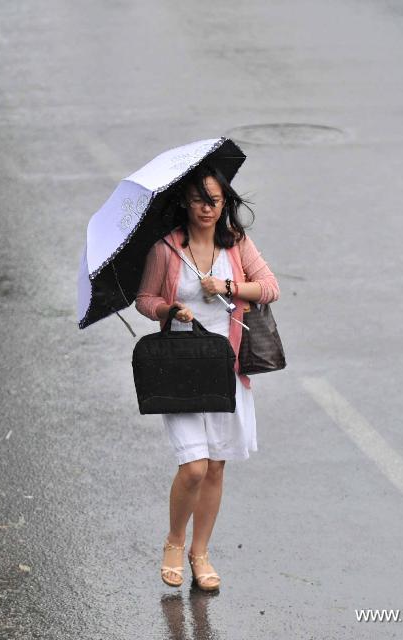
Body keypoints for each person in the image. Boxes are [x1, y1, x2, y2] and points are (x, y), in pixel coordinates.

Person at [135, 163, 279, 592]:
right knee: (194, 467)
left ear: (224, 202)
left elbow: (269, 287)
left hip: (226, 369)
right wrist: (168, 310)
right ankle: (174, 542)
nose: (207, 208)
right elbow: (146, 299)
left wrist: (231, 287)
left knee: (215, 467)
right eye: (199, 199)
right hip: (179, 368)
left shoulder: (236, 244)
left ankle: (201, 553)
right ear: (185, 202)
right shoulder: (166, 249)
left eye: (214, 200)